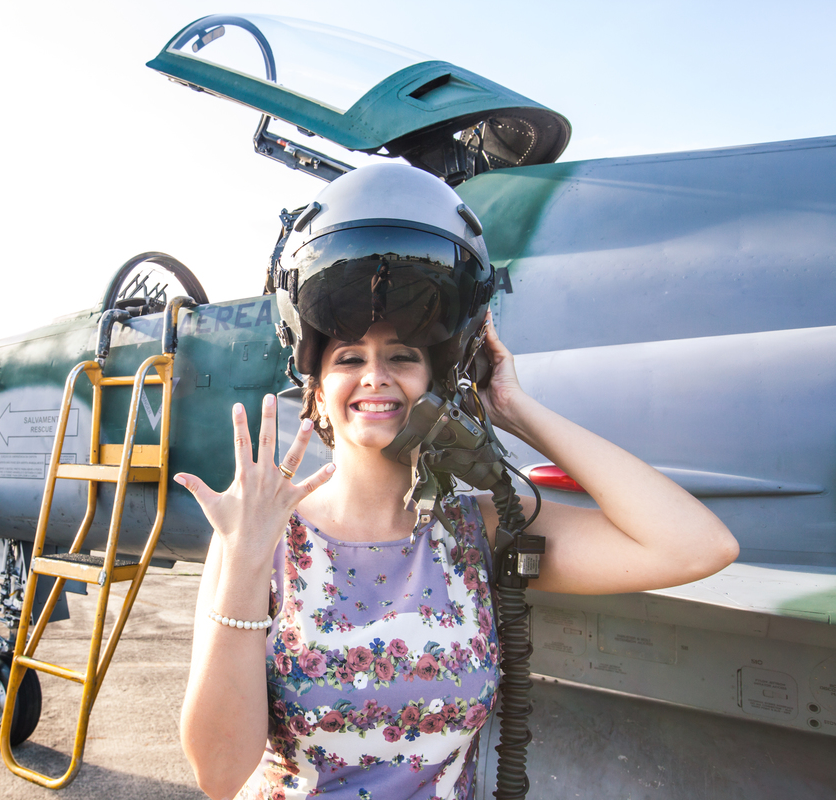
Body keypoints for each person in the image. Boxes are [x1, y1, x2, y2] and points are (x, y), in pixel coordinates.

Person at [172, 164, 739, 800]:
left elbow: (695, 546)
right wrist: (246, 562)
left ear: (439, 375)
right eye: (349, 358)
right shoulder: (261, 537)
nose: (376, 376)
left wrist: (516, 408)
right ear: (317, 386)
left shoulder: (480, 527)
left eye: (403, 356)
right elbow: (219, 776)